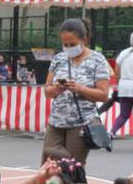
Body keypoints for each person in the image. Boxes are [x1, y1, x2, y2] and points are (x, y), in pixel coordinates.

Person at [43, 18, 111, 163]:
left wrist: (80, 88)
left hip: (81, 123)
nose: (68, 48)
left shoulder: (98, 60)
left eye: (72, 44)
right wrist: (56, 89)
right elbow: (47, 91)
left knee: (73, 169)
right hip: (56, 122)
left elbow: (103, 95)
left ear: (84, 40)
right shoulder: (58, 59)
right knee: (48, 167)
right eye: (65, 44)